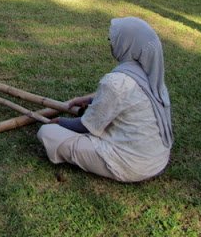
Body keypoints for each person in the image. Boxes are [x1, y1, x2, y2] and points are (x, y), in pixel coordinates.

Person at [37, 17, 173, 183]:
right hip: (156, 159)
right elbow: (125, 96)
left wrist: (60, 121)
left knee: (48, 133)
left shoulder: (116, 82)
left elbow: (85, 125)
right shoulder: (151, 75)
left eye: (114, 40)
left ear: (127, 44)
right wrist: (88, 99)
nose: (111, 44)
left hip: (131, 164)